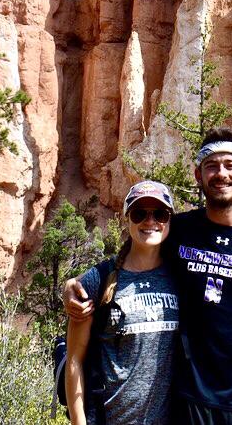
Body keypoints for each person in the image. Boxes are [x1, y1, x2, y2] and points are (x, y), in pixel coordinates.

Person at [66, 128, 232, 425]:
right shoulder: (178, 230)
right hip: (194, 403)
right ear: (198, 175)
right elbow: (134, 252)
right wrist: (73, 286)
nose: (221, 174)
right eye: (212, 166)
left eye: (230, 165)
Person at [65, 180, 181, 425]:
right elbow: (75, 359)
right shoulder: (99, 280)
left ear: (170, 219)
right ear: (126, 219)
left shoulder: (181, 275)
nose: (150, 221)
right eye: (140, 214)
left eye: (159, 213)